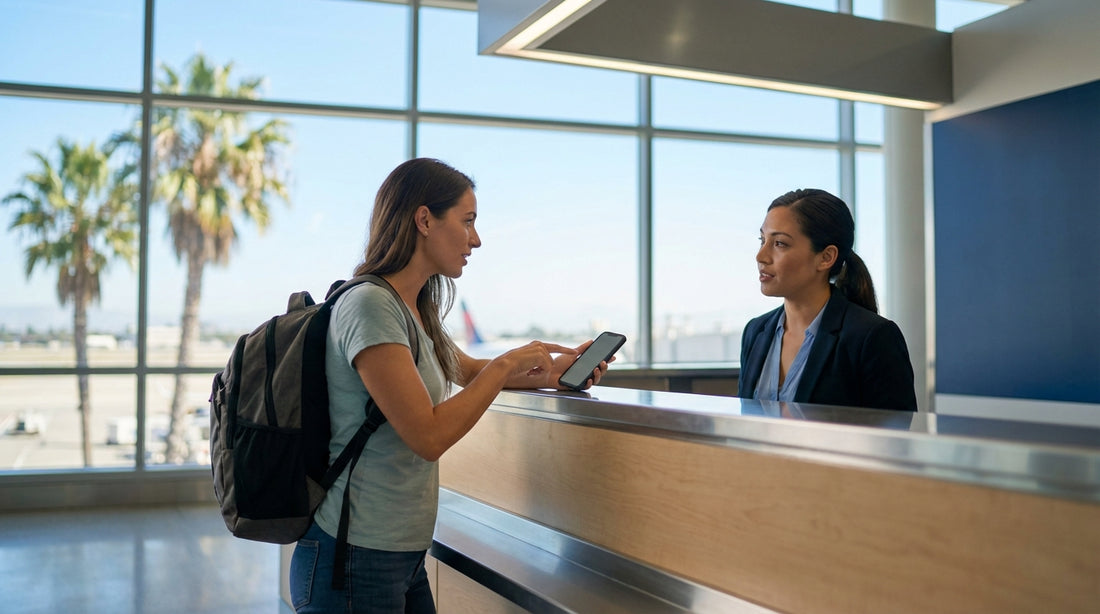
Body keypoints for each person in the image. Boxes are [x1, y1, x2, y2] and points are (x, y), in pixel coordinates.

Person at [289, 158, 610, 613]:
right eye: (468, 222)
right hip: (354, 556)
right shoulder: (369, 306)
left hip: (398, 551)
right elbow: (428, 435)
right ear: (424, 220)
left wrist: (553, 375)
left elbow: (468, 371)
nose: (476, 240)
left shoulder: (413, 307)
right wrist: (503, 369)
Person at [738, 188, 917, 412]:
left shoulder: (873, 337)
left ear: (826, 257)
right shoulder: (756, 331)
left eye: (779, 243)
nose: (761, 256)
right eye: (762, 240)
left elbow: (895, 439)